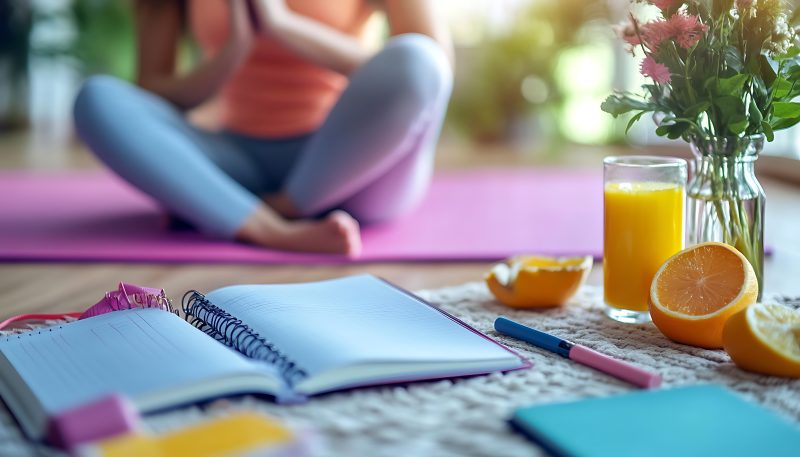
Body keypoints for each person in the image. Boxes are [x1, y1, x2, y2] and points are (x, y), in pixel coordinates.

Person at [73, 0, 453, 257]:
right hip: (238, 163)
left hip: (352, 172)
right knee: (96, 98)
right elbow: (153, 89)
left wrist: (283, 25)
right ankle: (273, 230)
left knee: (419, 59)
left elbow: (432, 65)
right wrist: (233, 52)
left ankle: (272, 208)